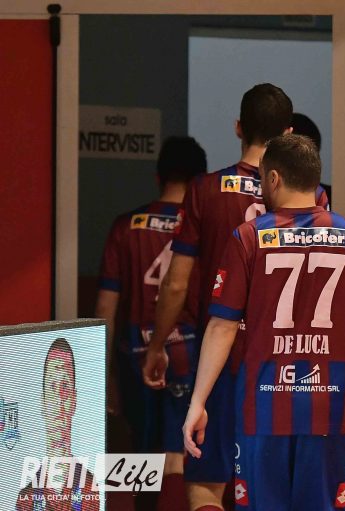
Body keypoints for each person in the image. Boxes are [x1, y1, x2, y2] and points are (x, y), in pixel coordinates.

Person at [142, 85, 328, 511]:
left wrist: (157, 345)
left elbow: (175, 283)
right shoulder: (314, 197)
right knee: (271, 491)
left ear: (239, 127)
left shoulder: (204, 190)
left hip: (221, 361)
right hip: (286, 364)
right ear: (288, 133)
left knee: (206, 487)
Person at [182, 134, 345, 511]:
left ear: (273, 178)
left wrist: (198, 401)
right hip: (329, 407)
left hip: (262, 409)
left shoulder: (248, 237)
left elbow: (222, 326)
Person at [94, 136, 207, 511]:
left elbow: (105, 308)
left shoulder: (125, 227)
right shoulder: (203, 229)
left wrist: (104, 374)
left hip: (135, 355)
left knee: (140, 452)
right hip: (189, 353)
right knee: (182, 451)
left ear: (158, 176)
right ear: (199, 181)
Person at [16, 338, 100, 511]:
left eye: (65, 386)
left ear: (74, 400)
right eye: (52, 386)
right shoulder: (26, 499)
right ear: (42, 402)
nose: (59, 399)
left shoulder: (90, 488)